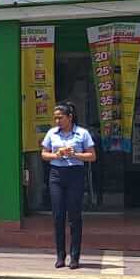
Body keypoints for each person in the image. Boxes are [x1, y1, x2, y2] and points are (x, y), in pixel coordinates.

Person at [40, 102, 97, 269]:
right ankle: (60, 255)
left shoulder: (82, 133)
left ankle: (75, 257)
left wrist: (76, 154)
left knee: (74, 216)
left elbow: (92, 156)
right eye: (55, 118)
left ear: (69, 117)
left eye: (60, 117)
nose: (57, 121)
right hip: (56, 175)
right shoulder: (52, 133)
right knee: (58, 216)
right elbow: (43, 154)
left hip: (75, 174)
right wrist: (55, 154)